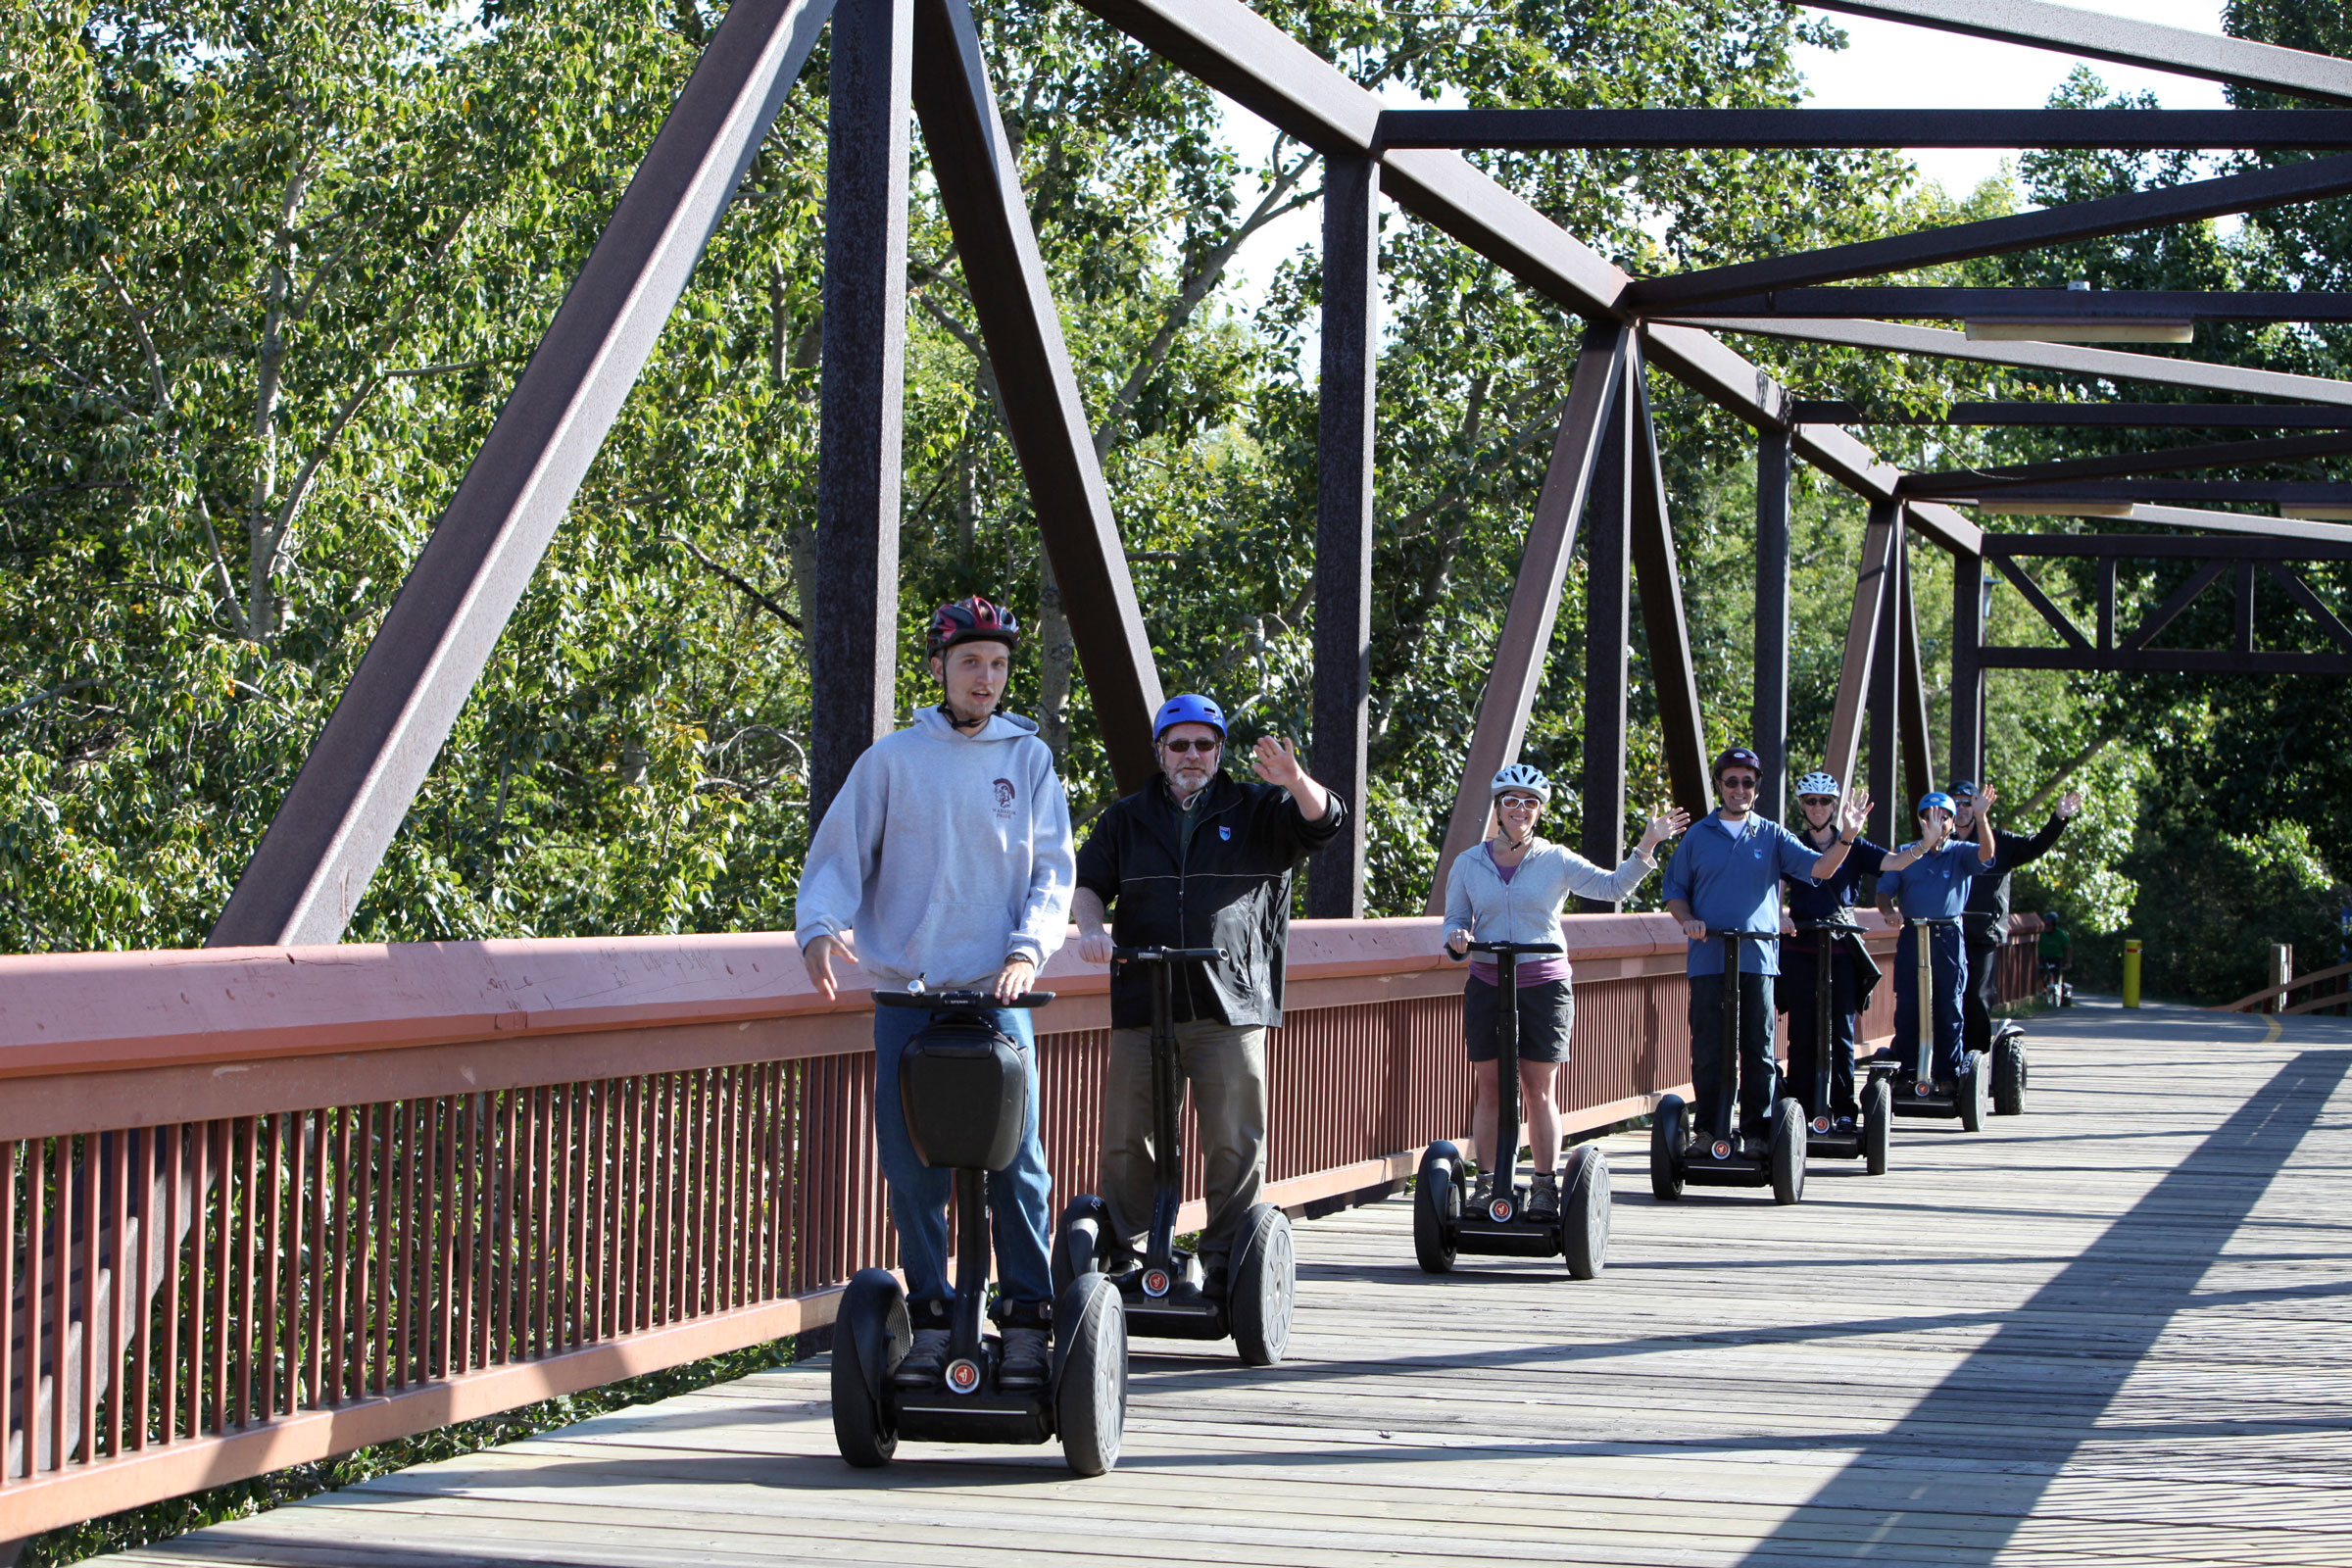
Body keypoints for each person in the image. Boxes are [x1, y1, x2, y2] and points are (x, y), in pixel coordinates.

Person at [795, 596, 1074, 1393]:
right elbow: (839, 855)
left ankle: (1026, 1315)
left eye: (997, 665)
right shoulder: (892, 763)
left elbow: (1054, 870)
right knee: (913, 1167)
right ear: (940, 669)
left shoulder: (1028, 760)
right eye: (970, 664)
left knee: (1018, 1165)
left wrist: (1028, 950)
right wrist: (819, 927)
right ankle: (929, 1308)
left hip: (999, 995)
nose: (986, 679)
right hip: (909, 1002)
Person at [1071, 693, 1345, 1295]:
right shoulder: (1126, 817)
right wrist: (1091, 929)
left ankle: (1227, 1258)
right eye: (1179, 745)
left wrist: (1296, 779)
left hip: (1229, 1001)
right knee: (1126, 1138)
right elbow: (1088, 883)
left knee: (1233, 1139)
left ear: (1219, 752)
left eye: (1203, 745)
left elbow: (1325, 822)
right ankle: (1125, 1254)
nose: (1191, 755)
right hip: (1145, 999)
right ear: (1160, 753)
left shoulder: (1258, 808)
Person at [1441, 763, 1690, 1214]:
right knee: (1492, 1086)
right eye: (1512, 801)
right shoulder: (1468, 863)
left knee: (1538, 1088)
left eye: (1530, 802)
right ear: (1498, 807)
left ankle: (1542, 1184)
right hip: (1488, 981)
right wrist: (1457, 937)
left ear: (1539, 812)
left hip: (1543, 984)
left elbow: (1613, 887)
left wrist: (1648, 843)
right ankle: (1485, 1185)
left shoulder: (1555, 859)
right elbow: (1455, 919)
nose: (1520, 809)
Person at [1662, 747, 1871, 1152]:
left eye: (1748, 782)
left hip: (1758, 959)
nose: (1739, 789)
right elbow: (1675, 892)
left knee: (1758, 1051)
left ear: (1757, 789)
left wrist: (1847, 835)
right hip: (1708, 957)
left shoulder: (1773, 835)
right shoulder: (1698, 836)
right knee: (1709, 1049)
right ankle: (1708, 1131)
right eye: (1731, 781)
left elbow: (1820, 869)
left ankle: (1757, 1133)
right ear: (1719, 786)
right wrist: (1687, 919)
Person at [1778, 771, 1924, 1130]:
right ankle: (1800, 1105)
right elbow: (1773, 889)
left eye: (1824, 801)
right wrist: (1778, 915)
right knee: (1801, 1030)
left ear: (1835, 806)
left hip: (1841, 948)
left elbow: (1893, 862)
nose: (1817, 807)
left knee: (1841, 1030)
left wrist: (1924, 844)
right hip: (1801, 946)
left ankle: (1843, 1108)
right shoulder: (1792, 844)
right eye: (1810, 801)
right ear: (1801, 805)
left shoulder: (1854, 845)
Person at [1874, 788, 1999, 1087]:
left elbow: (1987, 854)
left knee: (1948, 1004)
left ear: (1953, 823)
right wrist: (1890, 911)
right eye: (1930, 817)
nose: (1937, 823)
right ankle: (1907, 1069)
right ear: (1920, 822)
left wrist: (1981, 817)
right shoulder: (1907, 852)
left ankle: (1947, 1074)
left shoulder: (1960, 852)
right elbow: (1883, 891)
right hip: (1912, 933)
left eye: (1944, 818)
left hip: (1946, 936)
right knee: (1908, 1004)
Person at [1949, 780, 2084, 1052]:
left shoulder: (1999, 841)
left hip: (1983, 933)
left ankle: (1973, 1060)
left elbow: (2036, 846)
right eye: (1956, 802)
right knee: (1943, 995)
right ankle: (1939, 1057)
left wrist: (2058, 818)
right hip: (1945, 932)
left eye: (1968, 802)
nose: (1962, 808)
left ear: (1979, 805)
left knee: (1976, 997)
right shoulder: (1939, 843)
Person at [2038, 908, 2075, 1004]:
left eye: (2049, 925)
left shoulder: (2060, 934)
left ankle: (2059, 994)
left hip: (2056, 958)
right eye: (2046, 924)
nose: (2047, 927)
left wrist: (2068, 962)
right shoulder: (2041, 933)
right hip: (2044, 957)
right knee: (2042, 972)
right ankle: (2043, 992)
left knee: (2057, 974)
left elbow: (2068, 947)